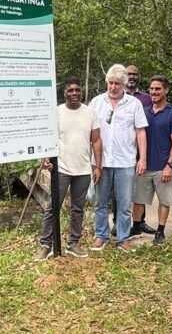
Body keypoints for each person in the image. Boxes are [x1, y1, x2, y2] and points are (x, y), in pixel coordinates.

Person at [34, 79, 103, 260]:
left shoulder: (90, 113)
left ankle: (73, 243)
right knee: (52, 207)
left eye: (77, 90)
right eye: (70, 90)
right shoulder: (56, 113)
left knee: (77, 208)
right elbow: (47, 138)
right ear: (64, 93)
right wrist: (45, 159)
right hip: (61, 168)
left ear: (81, 92)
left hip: (82, 168)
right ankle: (46, 244)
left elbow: (96, 140)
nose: (74, 93)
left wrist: (98, 166)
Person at [88, 64, 148, 253]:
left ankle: (123, 238)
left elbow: (140, 133)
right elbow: (87, 131)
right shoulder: (96, 102)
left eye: (117, 84)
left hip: (125, 162)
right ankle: (101, 236)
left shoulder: (134, 104)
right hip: (101, 162)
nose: (113, 87)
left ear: (124, 84)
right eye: (110, 83)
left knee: (124, 203)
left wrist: (142, 159)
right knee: (100, 202)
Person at [135, 76, 172, 246]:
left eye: (158, 89)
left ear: (166, 90)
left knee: (164, 200)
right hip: (144, 165)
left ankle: (160, 231)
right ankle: (136, 226)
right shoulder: (143, 112)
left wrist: (170, 165)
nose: (154, 92)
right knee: (138, 198)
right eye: (152, 89)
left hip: (163, 166)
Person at [125, 64, 156, 238]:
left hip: (141, 151)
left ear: (139, 76)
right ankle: (119, 222)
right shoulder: (116, 95)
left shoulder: (146, 98)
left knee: (141, 188)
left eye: (135, 74)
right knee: (120, 190)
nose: (132, 76)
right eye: (128, 74)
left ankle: (140, 222)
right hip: (122, 151)